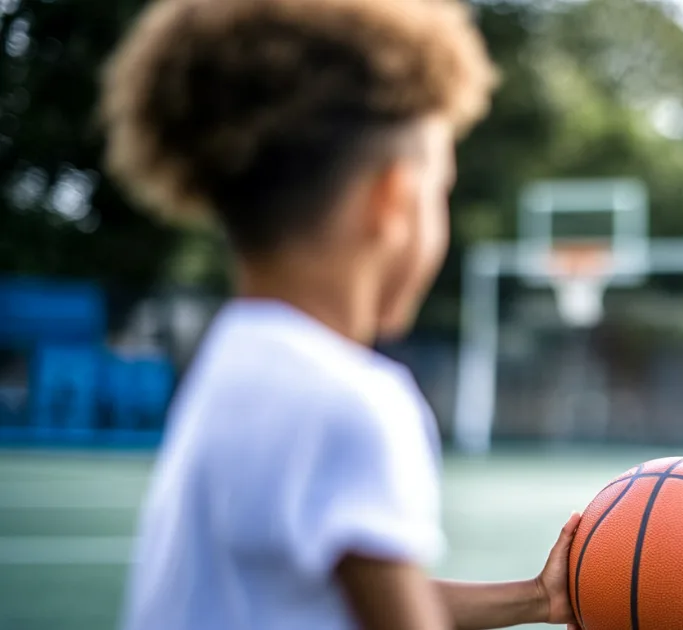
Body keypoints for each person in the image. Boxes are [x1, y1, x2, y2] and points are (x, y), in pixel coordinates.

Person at [99, 1, 580, 629]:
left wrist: (538, 600)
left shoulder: (236, 362)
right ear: (393, 198)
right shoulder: (356, 405)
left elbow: (335, 597)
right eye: (441, 191)